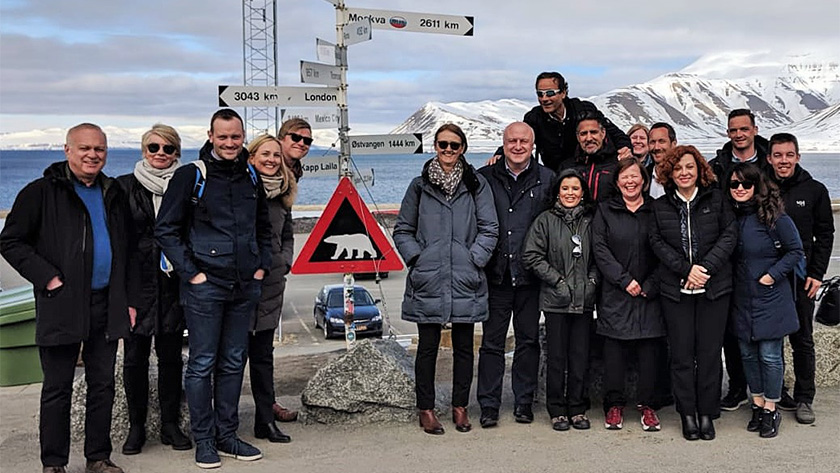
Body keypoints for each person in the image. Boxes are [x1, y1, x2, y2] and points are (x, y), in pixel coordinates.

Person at [1, 123, 132, 473]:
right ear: (67, 150)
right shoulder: (40, 192)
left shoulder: (113, 193)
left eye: (100, 149)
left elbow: (127, 248)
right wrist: (50, 278)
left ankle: (98, 457)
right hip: (61, 302)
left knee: (102, 385)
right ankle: (54, 463)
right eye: (85, 148)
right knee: (57, 388)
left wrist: (128, 299)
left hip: (106, 302)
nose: (93, 155)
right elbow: (11, 241)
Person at [155, 109, 272, 469]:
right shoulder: (192, 175)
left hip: (243, 285)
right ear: (210, 135)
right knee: (202, 363)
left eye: (235, 137)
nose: (229, 143)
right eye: (223, 137)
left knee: (235, 361)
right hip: (205, 286)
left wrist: (260, 266)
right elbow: (166, 230)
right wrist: (192, 274)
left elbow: (263, 227)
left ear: (243, 137)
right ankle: (204, 440)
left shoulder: (251, 176)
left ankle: (227, 435)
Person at [393, 123, 499, 435]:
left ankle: (460, 406)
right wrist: (418, 257)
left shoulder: (476, 184)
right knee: (427, 346)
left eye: (454, 145)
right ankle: (425, 409)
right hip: (429, 276)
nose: (448, 150)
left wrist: (473, 259)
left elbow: (489, 228)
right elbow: (403, 229)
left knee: (465, 347)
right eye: (443, 145)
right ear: (435, 147)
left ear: (463, 148)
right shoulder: (418, 186)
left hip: (466, 277)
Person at [649, 145, 737, 441]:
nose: (684, 173)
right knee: (682, 354)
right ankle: (687, 413)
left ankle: (706, 412)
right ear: (668, 174)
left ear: (699, 170)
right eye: (677, 169)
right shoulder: (660, 207)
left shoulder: (717, 200)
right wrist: (686, 270)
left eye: (689, 167)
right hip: (676, 291)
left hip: (715, 288)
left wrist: (705, 268)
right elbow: (657, 242)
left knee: (710, 354)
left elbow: (729, 235)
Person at [117, 124, 192, 455]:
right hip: (136, 285)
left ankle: (170, 424)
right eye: (153, 147)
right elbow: (116, 240)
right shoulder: (122, 187)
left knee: (172, 358)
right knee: (134, 358)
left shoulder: (188, 184)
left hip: (174, 285)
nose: (160, 153)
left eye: (167, 148)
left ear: (177, 152)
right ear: (143, 150)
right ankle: (136, 427)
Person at [476, 122, 555, 428]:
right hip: (496, 274)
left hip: (530, 276)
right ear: (503, 143)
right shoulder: (484, 178)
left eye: (524, 141)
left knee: (528, 341)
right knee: (491, 344)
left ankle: (524, 401)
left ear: (532, 145)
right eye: (512, 141)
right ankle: (489, 404)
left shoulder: (547, 179)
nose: (518, 146)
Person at [727, 162, 804, 438]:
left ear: (756, 186)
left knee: (770, 356)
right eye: (734, 184)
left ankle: (772, 408)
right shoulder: (731, 217)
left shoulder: (775, 217)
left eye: (745, 184)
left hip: (770, 296)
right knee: (747, 354)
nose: (739, 189)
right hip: (741, 297)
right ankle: (757, 403)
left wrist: (772, 275)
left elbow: (795, 251)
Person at [592, 158, 665, 432]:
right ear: (618, 181)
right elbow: (600, 249)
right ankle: (614, 406)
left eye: (635, 176)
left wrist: (650, 284)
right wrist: (625, 281)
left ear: (644, 181)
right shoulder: (605, 210)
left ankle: (648, 407)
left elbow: (666, 249)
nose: (630, 181)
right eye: (625, 176)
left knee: (649, 353)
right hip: (615, 291)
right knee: (614, 353)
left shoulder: (656, 210)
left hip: (649, 293)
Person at [522, 169, 598, 432]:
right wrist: (557, 281)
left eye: (575, 188)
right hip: (556, 300)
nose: (570, 193)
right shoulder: (545, 221)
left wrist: (592, 283)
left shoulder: (591, 220)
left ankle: (577, 408)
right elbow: (531, 255)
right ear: (557, 191)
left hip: (584, 299)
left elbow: (599, 256)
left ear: (583, 192)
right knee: (557, 357)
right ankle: (557, 409)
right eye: (565, 188)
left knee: (580, 356)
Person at [766, 133, 835, 423]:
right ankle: (776, 391)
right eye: (778, 155)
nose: (783, 161)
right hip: (769, 278)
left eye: (789, 155)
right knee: (771, 339)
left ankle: (805, 398)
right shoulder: (760, 188)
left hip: (802, 277)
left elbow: (825, 234)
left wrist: (817, 274)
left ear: (798, 157)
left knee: (802, 340)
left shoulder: (815, 190)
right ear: (769, 158)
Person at [710, 109, 771, 412]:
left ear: (754, 129)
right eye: (733, 130)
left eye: (744, 129)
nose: (738, 134)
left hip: (762, 254)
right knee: (732, 329)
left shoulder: (769, 163)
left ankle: (772, 389)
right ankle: (737, 387)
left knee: (768, 327)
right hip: (728, 255)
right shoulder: (719, 166)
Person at [246, 134, 298, 443]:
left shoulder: (282, 197)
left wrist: (284, 261)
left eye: (276, 155)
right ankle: (220, 423)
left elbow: (288, 235)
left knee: (263, 357)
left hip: (271, 285)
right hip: (240, 284)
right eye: (265, 154)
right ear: (251, 157)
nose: (271, 160)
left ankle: (265, 422)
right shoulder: (239, 191)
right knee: (232, 357)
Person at [492, 72, 631, 172]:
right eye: (540, 94)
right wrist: (500, 154)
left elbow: (613, 132)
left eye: (550, 93)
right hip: (554, 175)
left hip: (584, 172)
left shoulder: (582, 109)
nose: (544, 98)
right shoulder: (534, 117)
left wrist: (625, 147)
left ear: (563, 93)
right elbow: (521, 138)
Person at [573, 112, 620, 202]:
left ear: (603, 133)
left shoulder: (618, 164)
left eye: (593, 132)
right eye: (583, 134)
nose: (589, 138)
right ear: (578, 137)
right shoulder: (568, 166)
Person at [647, 122, 678, 199]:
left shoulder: (682, 176)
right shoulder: (644, 176)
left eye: (662, 141)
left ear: (673, 144)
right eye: (652, 142)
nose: (656, 147)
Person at [277, 118, 312, 182]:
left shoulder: (295, 170)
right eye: (295, 137)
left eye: (307, 141)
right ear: (281, 139)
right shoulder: (270, 167)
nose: (301, 144)